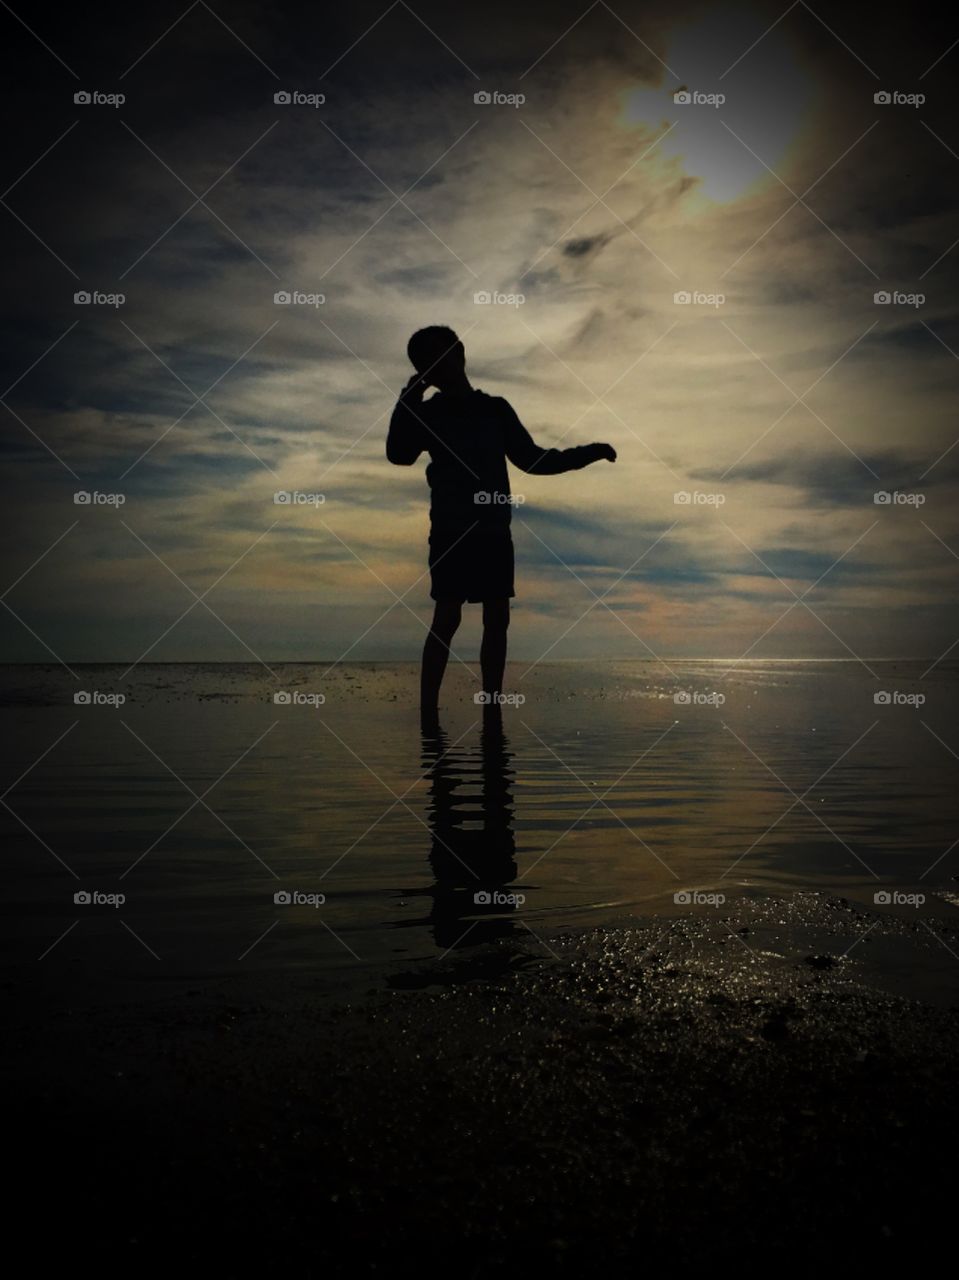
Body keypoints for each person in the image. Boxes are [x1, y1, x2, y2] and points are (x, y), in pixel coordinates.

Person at [387, 325, 616, 712]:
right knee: (446, 616)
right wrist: (407, 400)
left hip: (492, 532)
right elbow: (399, 454)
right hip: (450, 531)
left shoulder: (495, 409)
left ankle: (492, 706)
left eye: (440, 356)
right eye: (425, 362)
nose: (435, 366)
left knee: (497, 618)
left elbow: (533, 460)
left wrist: (588, 453)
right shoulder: (428, 414)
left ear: (460, 354)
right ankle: (428, 712)